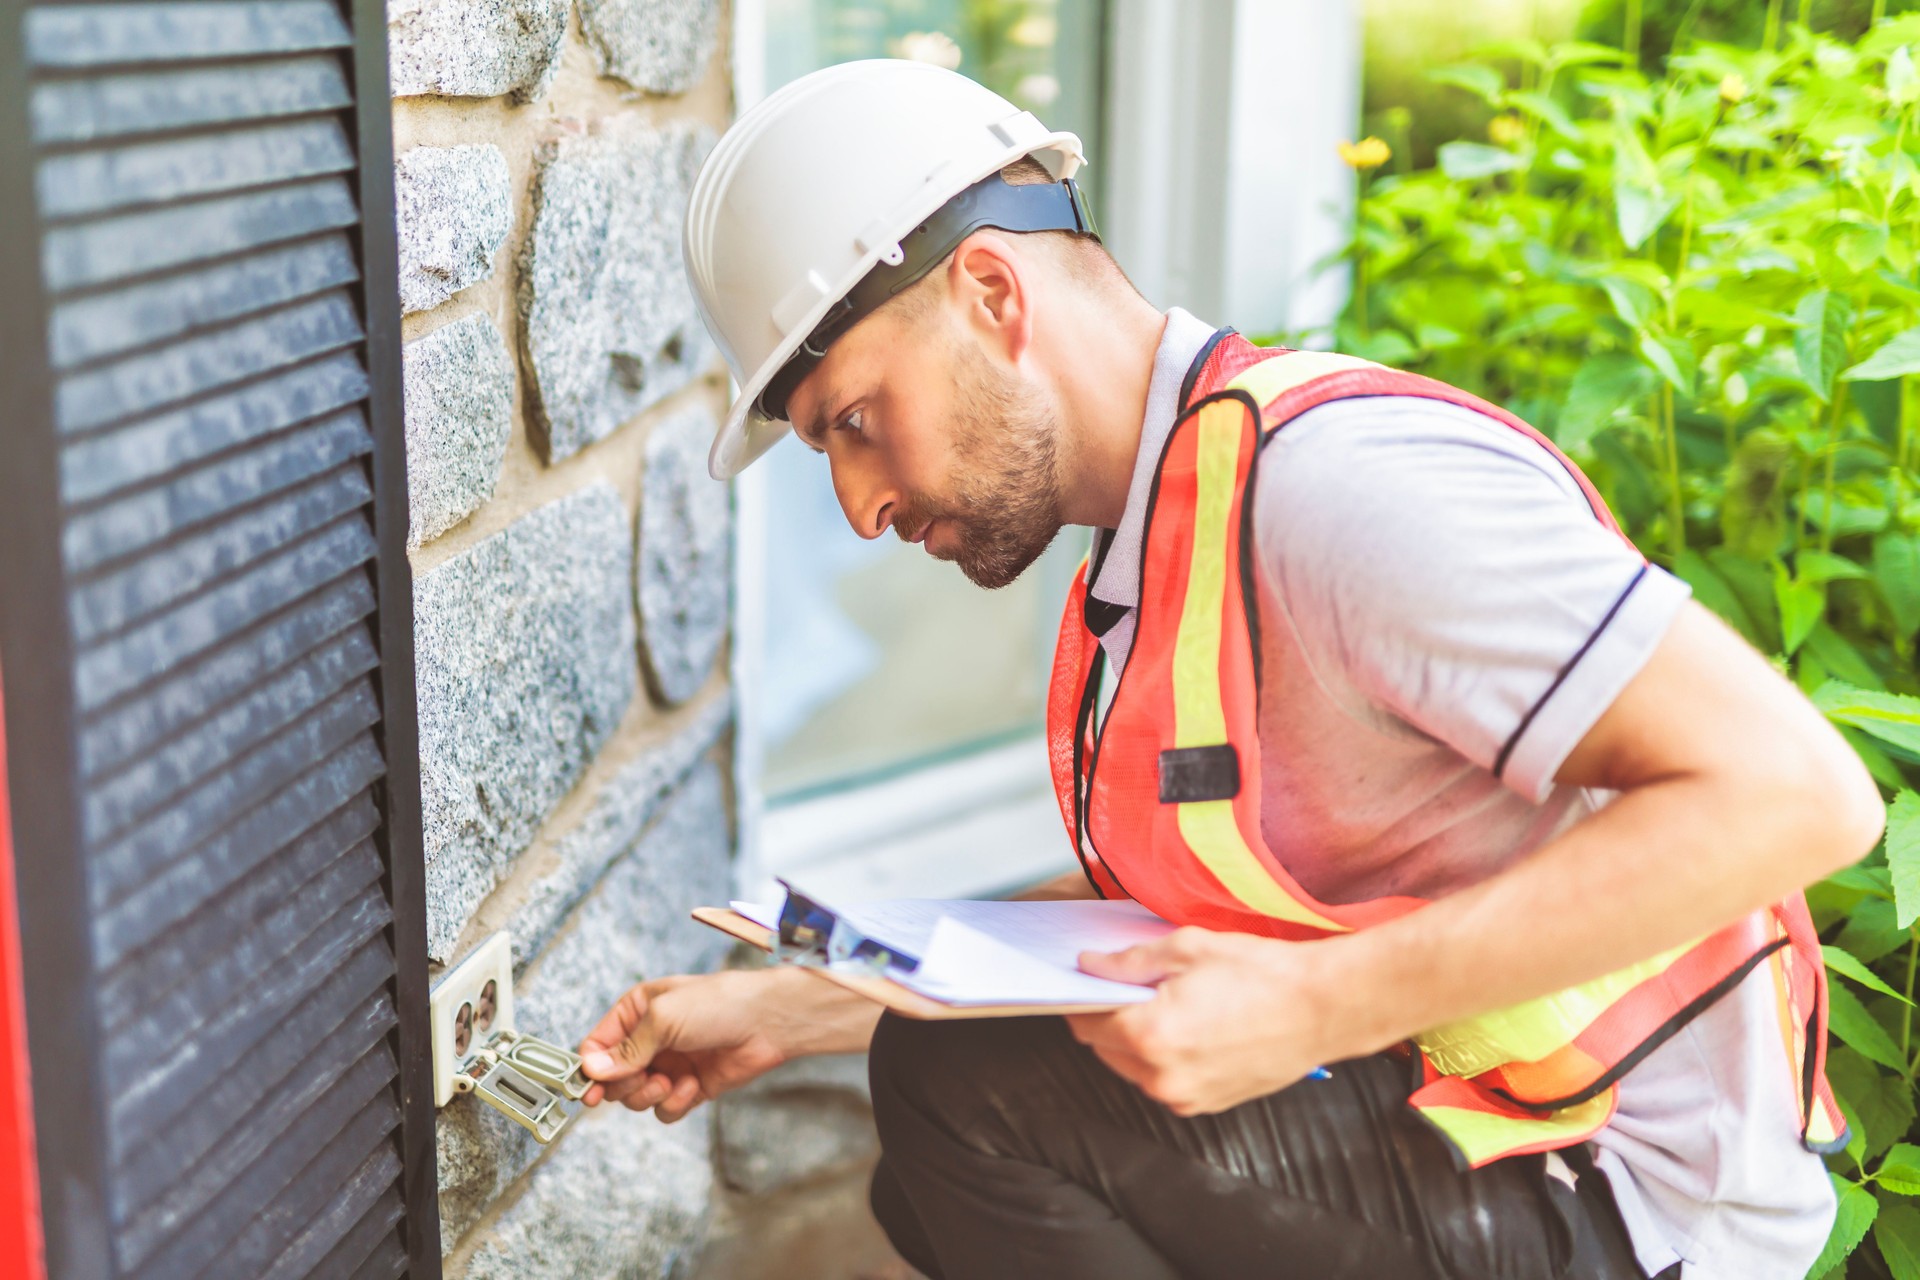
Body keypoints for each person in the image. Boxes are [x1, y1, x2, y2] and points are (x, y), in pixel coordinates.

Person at [578, 60, 1886, 1280]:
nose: (860, 504)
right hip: (1470, 1106)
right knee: (928, 1185)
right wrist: (791, 1006)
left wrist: (1317, 1008)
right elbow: (1168, 906)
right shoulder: (1156, 542)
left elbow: (1799, 796)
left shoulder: (1335, 491)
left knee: (962, 1102)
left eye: (855, 423)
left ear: (992, 294)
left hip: (1618, 1184)